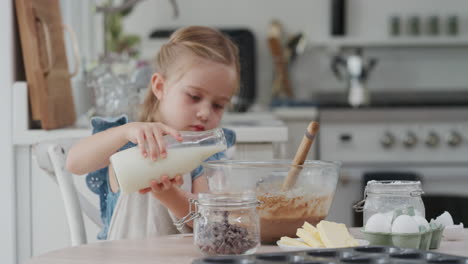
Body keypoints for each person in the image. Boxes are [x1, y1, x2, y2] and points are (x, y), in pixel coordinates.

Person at [66, 26, 240, 240]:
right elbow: (74, 163)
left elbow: (210, 223)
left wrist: (170, 196)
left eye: (218, 105)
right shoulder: (127, 141)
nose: (205, 113)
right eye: (194, 97)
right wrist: (124, 132)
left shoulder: (205, 157)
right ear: (159, 86)